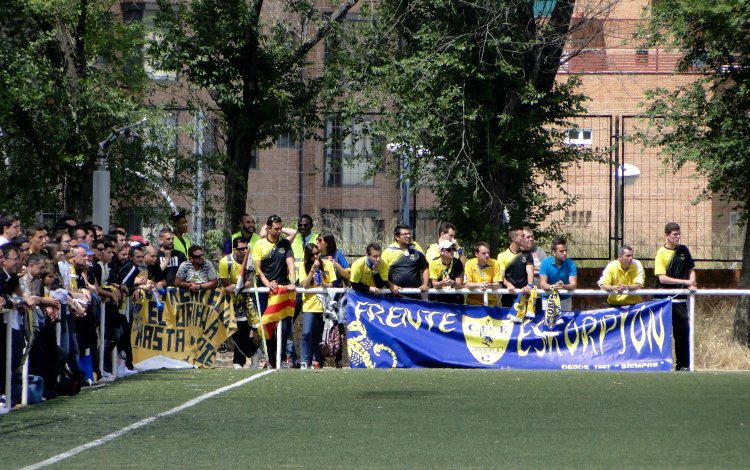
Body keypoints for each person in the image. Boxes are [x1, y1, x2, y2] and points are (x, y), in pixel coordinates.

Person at [252, 215, 296, 368]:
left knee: (284, 328)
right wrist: (267, 284)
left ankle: (282, 359)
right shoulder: (259, 245)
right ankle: (270, 359)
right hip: (265, 291)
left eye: (280, 228)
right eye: (276, 229)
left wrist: (292, 282)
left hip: (282, 291)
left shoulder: (285, 243)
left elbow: (290, 263)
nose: (279, 231)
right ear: (268, 228)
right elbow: (258, 270)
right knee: (267, 326)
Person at [654, 222, 697, 371]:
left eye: (679, 234)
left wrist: (692, 283)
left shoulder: (684, 250)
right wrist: (685, 281)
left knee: (683, 330)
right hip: (663, 299)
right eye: (674, 234)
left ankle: (683, 365)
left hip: (680, 298)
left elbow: (691, 269)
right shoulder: (661, 253)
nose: (678, 237)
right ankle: (659, 364)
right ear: (667, 235)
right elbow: (662, 278)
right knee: (661, 333)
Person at [219, 238, 259, 369]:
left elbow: (250, 281)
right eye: (241, 249)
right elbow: (225, 283)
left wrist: (238, 287)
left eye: (246, 248)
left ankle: (240, 360)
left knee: (243, 330)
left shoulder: (250, 261)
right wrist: (233, 288)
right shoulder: (225, 262)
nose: (244, 251)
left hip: (245, 300)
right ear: (234, 249)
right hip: (229, 302)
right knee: (232, 330)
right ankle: (252, 353)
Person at [298, 243, 336, 369]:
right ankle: (304, 360)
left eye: (317, 253)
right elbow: (304, 284)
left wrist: (324, 284)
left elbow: (332, 284)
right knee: (307, 332)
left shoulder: (327, 264)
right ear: (308, 257)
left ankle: (317, 360)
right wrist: (312, 270)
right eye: (312, 255)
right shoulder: (303, 266)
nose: (316, 257)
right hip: (309, 305)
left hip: (324, 305)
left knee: (320, 334)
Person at [382, 224, 429, 297]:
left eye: (409, 233)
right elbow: (382, 272)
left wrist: (425, 284)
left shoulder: (416, 249)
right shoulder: (388, 251)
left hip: (415, 295)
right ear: (397, 237)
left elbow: (425, 267)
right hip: (395, 296)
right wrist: (391, 285)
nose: (408, 236)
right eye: (405, 234)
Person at [497, 227, 534, 307]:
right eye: (522, 236)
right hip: (509, 294)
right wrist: (508, 285)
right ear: (514, 238)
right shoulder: (502, 256)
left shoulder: (527, 254)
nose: (525, 238)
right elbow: (501, 276)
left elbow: (530, 271)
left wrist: (529, 285)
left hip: (524, 294)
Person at [539, 237, 577, 312]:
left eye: (566, 251)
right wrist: (553, 287)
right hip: (548, 299)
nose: (565, 253)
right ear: (554, 252)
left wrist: (563, 286)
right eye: (561, 251)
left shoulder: (571, 264)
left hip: (565, 300)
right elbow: (543, 284)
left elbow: (573, 285)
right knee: (548, 323)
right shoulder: (545, 263)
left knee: (566, 323)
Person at [428, 239, 465, 304]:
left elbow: (459, 285)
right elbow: (435, 285)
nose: (452, 251)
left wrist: (453, 283)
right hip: (437, 299)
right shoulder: (433, 263)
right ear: (441, 251)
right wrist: (443, 283)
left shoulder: (458, 263)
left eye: (453, 249)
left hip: (455, 299)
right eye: (448, 250)